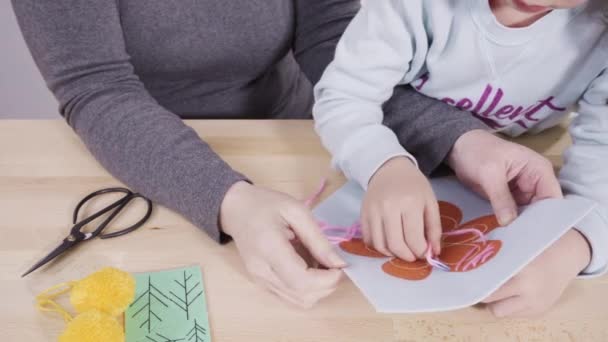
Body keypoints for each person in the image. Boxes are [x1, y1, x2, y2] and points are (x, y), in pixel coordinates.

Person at [12, 0, 494, 309]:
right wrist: (231, 201)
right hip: (134, 156)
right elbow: (96, 89)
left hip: (290, 137)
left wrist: (455, 137)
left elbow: (332, 40)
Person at [314, 0, 607, 317]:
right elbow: (345, 96)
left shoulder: (598, 28)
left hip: (523, 163)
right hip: (408, 152)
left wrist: (576, 246)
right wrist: (383, 164)